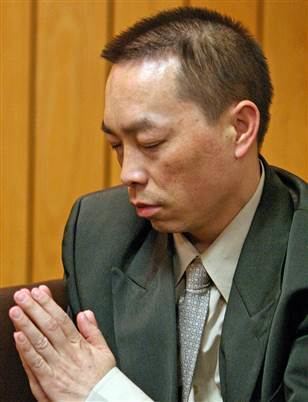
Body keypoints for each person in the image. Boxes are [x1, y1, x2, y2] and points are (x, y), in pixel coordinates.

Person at [8, 6, 308, 402]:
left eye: (151, 143)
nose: (127, 173)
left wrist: (104, 394)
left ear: (239, 129)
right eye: (116, 145)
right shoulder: (98, 232)